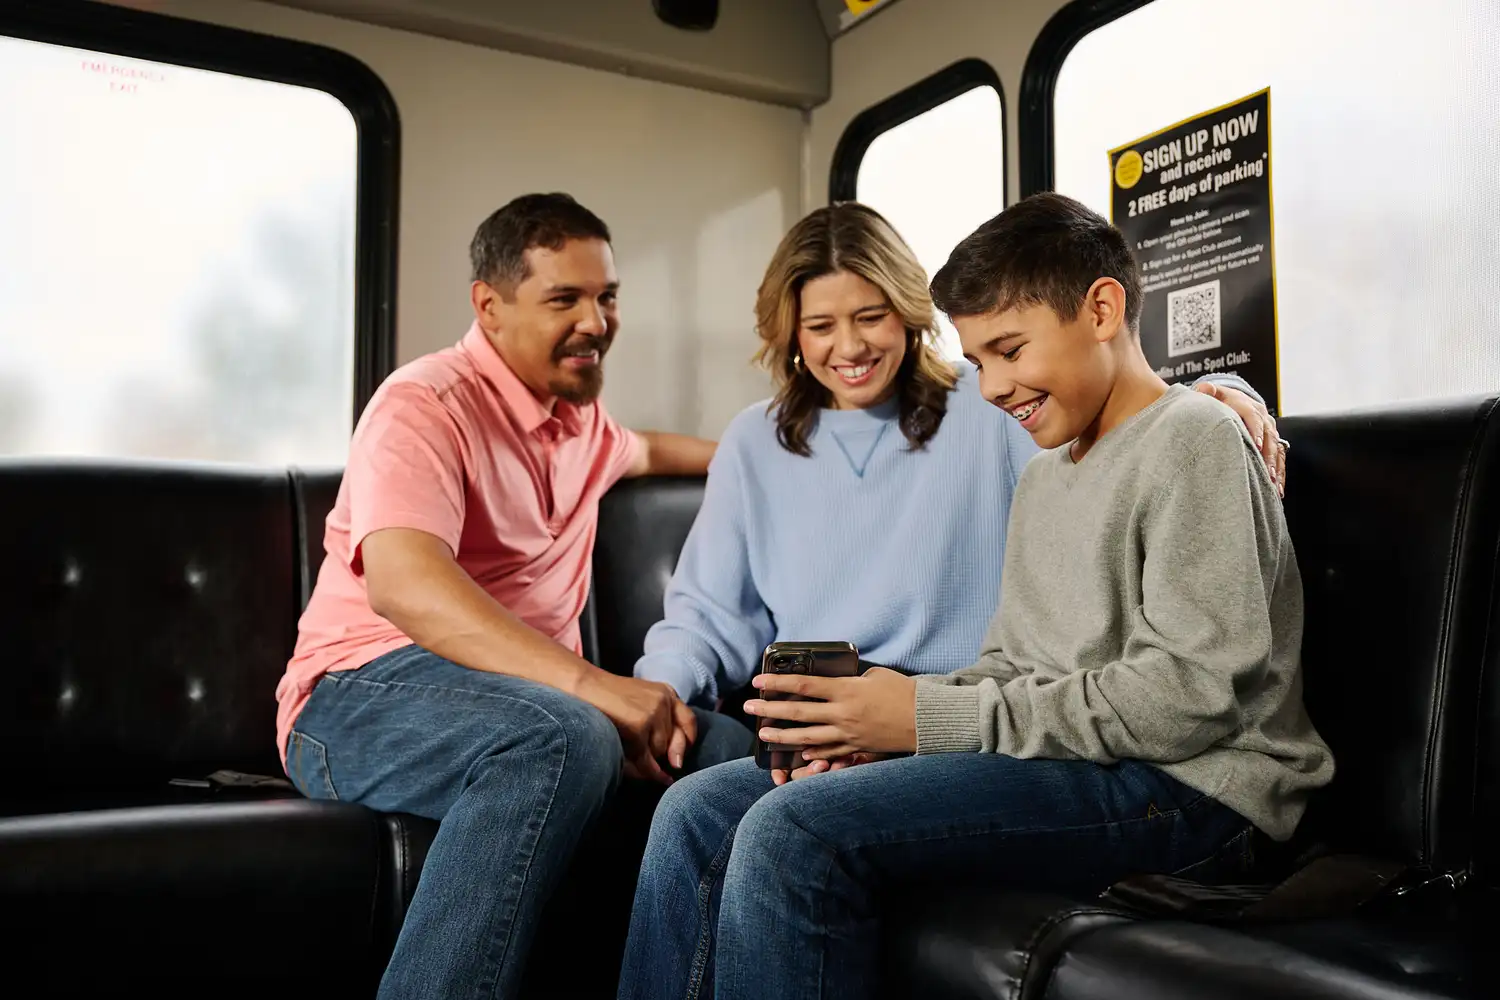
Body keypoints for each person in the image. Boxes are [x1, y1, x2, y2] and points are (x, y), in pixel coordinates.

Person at [616, 194, 1333, 1000]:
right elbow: (1015, 662)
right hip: (1070, 743)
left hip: (1194, 783)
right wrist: (895, 722)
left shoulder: (1179, 436)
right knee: (696, 810)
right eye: (980, 360)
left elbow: (1188, 698)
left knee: (794, 832)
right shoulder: (1046, 470)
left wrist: (921, 718)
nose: (989, 386)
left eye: (1006, 351)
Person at [274, 193, 747, 1000]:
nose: (596, 321)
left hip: (518, 701)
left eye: (607, 297)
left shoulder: (584, 429)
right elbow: (403, 582)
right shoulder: (424, 404)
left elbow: (666, 450)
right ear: (488, 307)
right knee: (564, 738)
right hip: (355, 698)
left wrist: (781, 443)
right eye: (564, 299)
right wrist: (598, 687)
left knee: (725, 758)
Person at [631, 202, 1283, 726]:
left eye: (871, 316)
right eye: (821, 326)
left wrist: (1228, 394)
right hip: (818, 709)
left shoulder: (988, 404)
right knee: (692, 801)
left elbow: (1120, 426)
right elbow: (704, 618)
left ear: (908, 315)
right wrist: (654, 697)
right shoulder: (753, 441)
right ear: (791, 334)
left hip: (957, 705)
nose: (850, 346)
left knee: (776, 828)